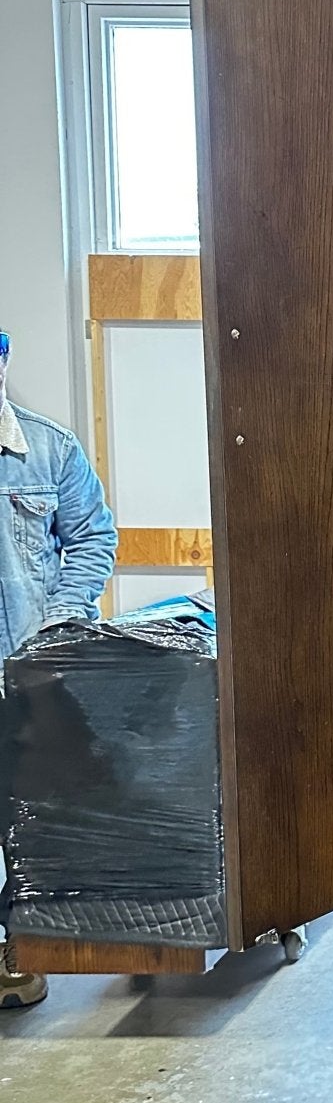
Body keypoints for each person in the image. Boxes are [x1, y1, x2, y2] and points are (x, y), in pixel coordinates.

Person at [0, 327, 118, 1010]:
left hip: (29, 671)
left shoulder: (50, 449)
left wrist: (63, 617)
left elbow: (93, 536)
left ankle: (16, 950)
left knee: (25, 815)